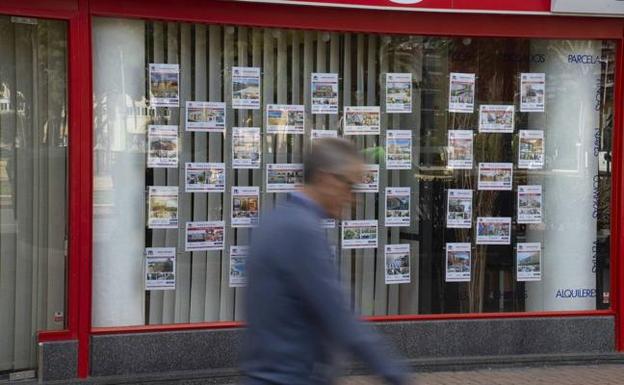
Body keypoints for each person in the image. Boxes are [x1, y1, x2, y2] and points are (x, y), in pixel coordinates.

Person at [242, 138, 409, 385]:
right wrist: (395, 374)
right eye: (350, 187)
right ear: (325, 178)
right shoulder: (302, 230)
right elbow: (339, 315)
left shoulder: (272, 220)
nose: (354, 199)